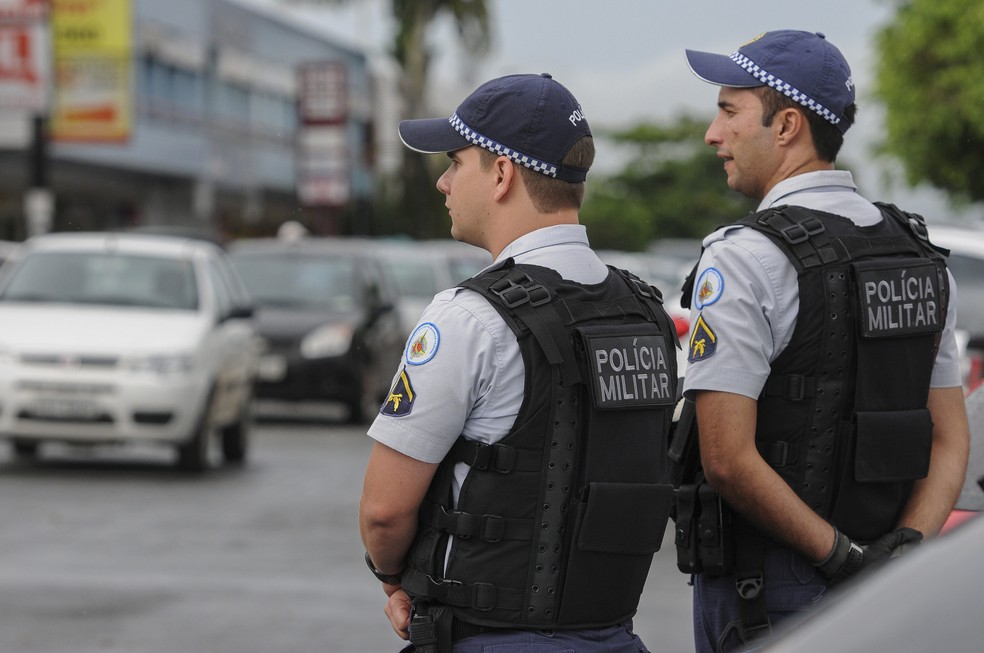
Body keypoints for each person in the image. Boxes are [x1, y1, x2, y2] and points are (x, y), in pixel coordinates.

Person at [359, 73, 680, 652]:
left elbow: (384, 512)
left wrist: (392, 577)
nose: (443, 182)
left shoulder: (469, 317)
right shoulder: (647, 312)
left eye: (456, 162)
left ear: (502, 174)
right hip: (615, 636)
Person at [673, 30, 971, 653]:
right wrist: (902, 555)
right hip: (890, 585)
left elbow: (726, 458)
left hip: (772, 588)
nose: (712, 134)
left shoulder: (745, 258)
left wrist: (843, 560)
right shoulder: (919, 256)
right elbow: (950, 438)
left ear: (786, 125)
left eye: (729, 111)